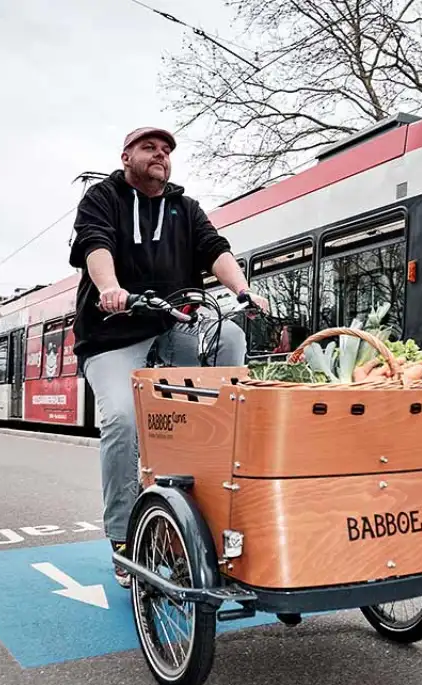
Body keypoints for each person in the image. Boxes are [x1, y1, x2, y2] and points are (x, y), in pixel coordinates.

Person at [69, 126, 269, 587]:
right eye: (149, 148)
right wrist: (110, 289)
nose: (160, 155)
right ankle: (121, 536)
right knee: (120, 418)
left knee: (230, 337)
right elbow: (94, 245)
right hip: (113, 333)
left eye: (166, 150)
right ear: (126, 157)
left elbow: (215, 249)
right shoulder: (104, 197)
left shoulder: (185, 207)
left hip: (173, 322)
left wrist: (242, 289)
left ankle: (220, 453)